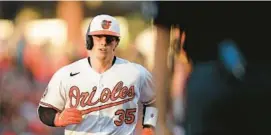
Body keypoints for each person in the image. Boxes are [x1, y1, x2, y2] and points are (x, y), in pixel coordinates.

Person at [37, 14, 158, 135]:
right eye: (98, 37)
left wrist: (149, 126)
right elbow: (44, 110)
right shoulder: (66, 74)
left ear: (116, 42)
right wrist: (57, 119)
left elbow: (153, 101)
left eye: (109, 38)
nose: (104, 42)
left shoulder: (136, 72)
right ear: (89, 40)